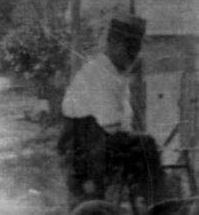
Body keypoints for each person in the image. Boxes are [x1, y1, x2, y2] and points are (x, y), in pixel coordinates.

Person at [59, 14, 169, 211]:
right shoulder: (102, 75)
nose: (134, 55)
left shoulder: (111, 72)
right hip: (82, 150)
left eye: (136, 48)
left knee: (143, 148)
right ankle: (159, 206)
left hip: (91, 144)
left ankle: (149, 202)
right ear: (113, 43)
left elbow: (118, 125)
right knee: (146, 147)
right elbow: (112, 126)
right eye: (129, 47)